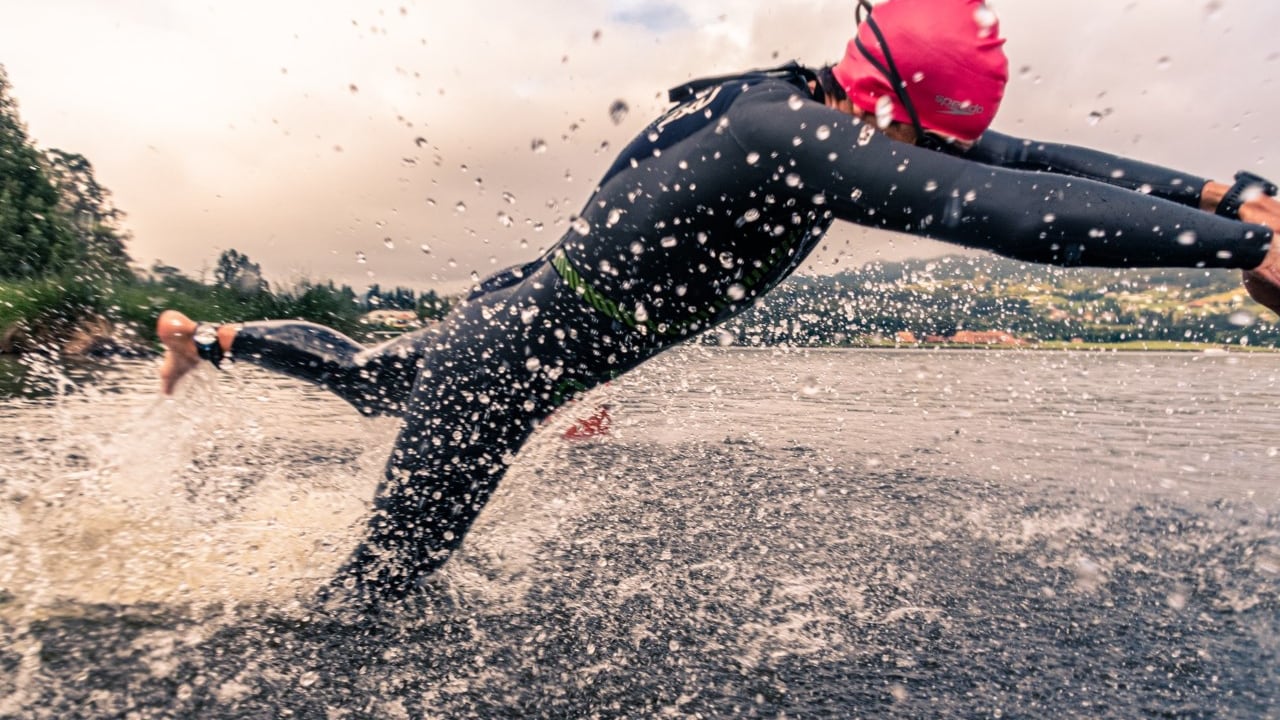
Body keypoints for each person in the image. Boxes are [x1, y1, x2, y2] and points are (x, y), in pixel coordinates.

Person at [158, 0, 1280, 601]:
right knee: (366, 607)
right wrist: (1241, 244)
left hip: (517, 317)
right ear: (888, 105)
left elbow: (1024, 160)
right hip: (496, 375)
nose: (938, 161)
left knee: (368, 382)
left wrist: (1219, 195)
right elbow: (1017, 214)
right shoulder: (784, 138)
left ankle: (202, 336)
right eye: (931, 143)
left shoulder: (811, 100)